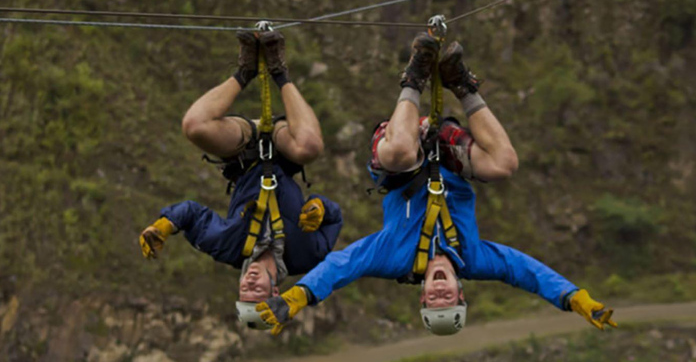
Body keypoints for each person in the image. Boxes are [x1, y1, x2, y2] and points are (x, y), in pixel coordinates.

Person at [255, 33, 617, 335]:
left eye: (435, 299)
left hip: (400, 160)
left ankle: (414, 77)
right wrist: (573, 297)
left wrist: (298, 297)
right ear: (461, 293)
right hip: (444, 152)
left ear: (423, 296)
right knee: (505, 164)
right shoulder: (474, 259)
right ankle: (461, 83)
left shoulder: (392, 258)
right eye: (450, 299)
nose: (442, 291)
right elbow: (526, 271)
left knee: (398, 150)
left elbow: (342, 266)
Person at [139, 30, 343, 323]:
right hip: (284, 152)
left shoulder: (228, 247)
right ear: (275, 289)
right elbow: (335, 220)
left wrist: (164, 225)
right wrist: (320, 208)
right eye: (255, 292)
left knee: (194, 126)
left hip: (244, 152)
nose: (247, 284)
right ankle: (279, 71)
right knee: (310, 145)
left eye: (242, 290)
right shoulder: (305, 256)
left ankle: (245, 70)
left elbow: (192, 215)